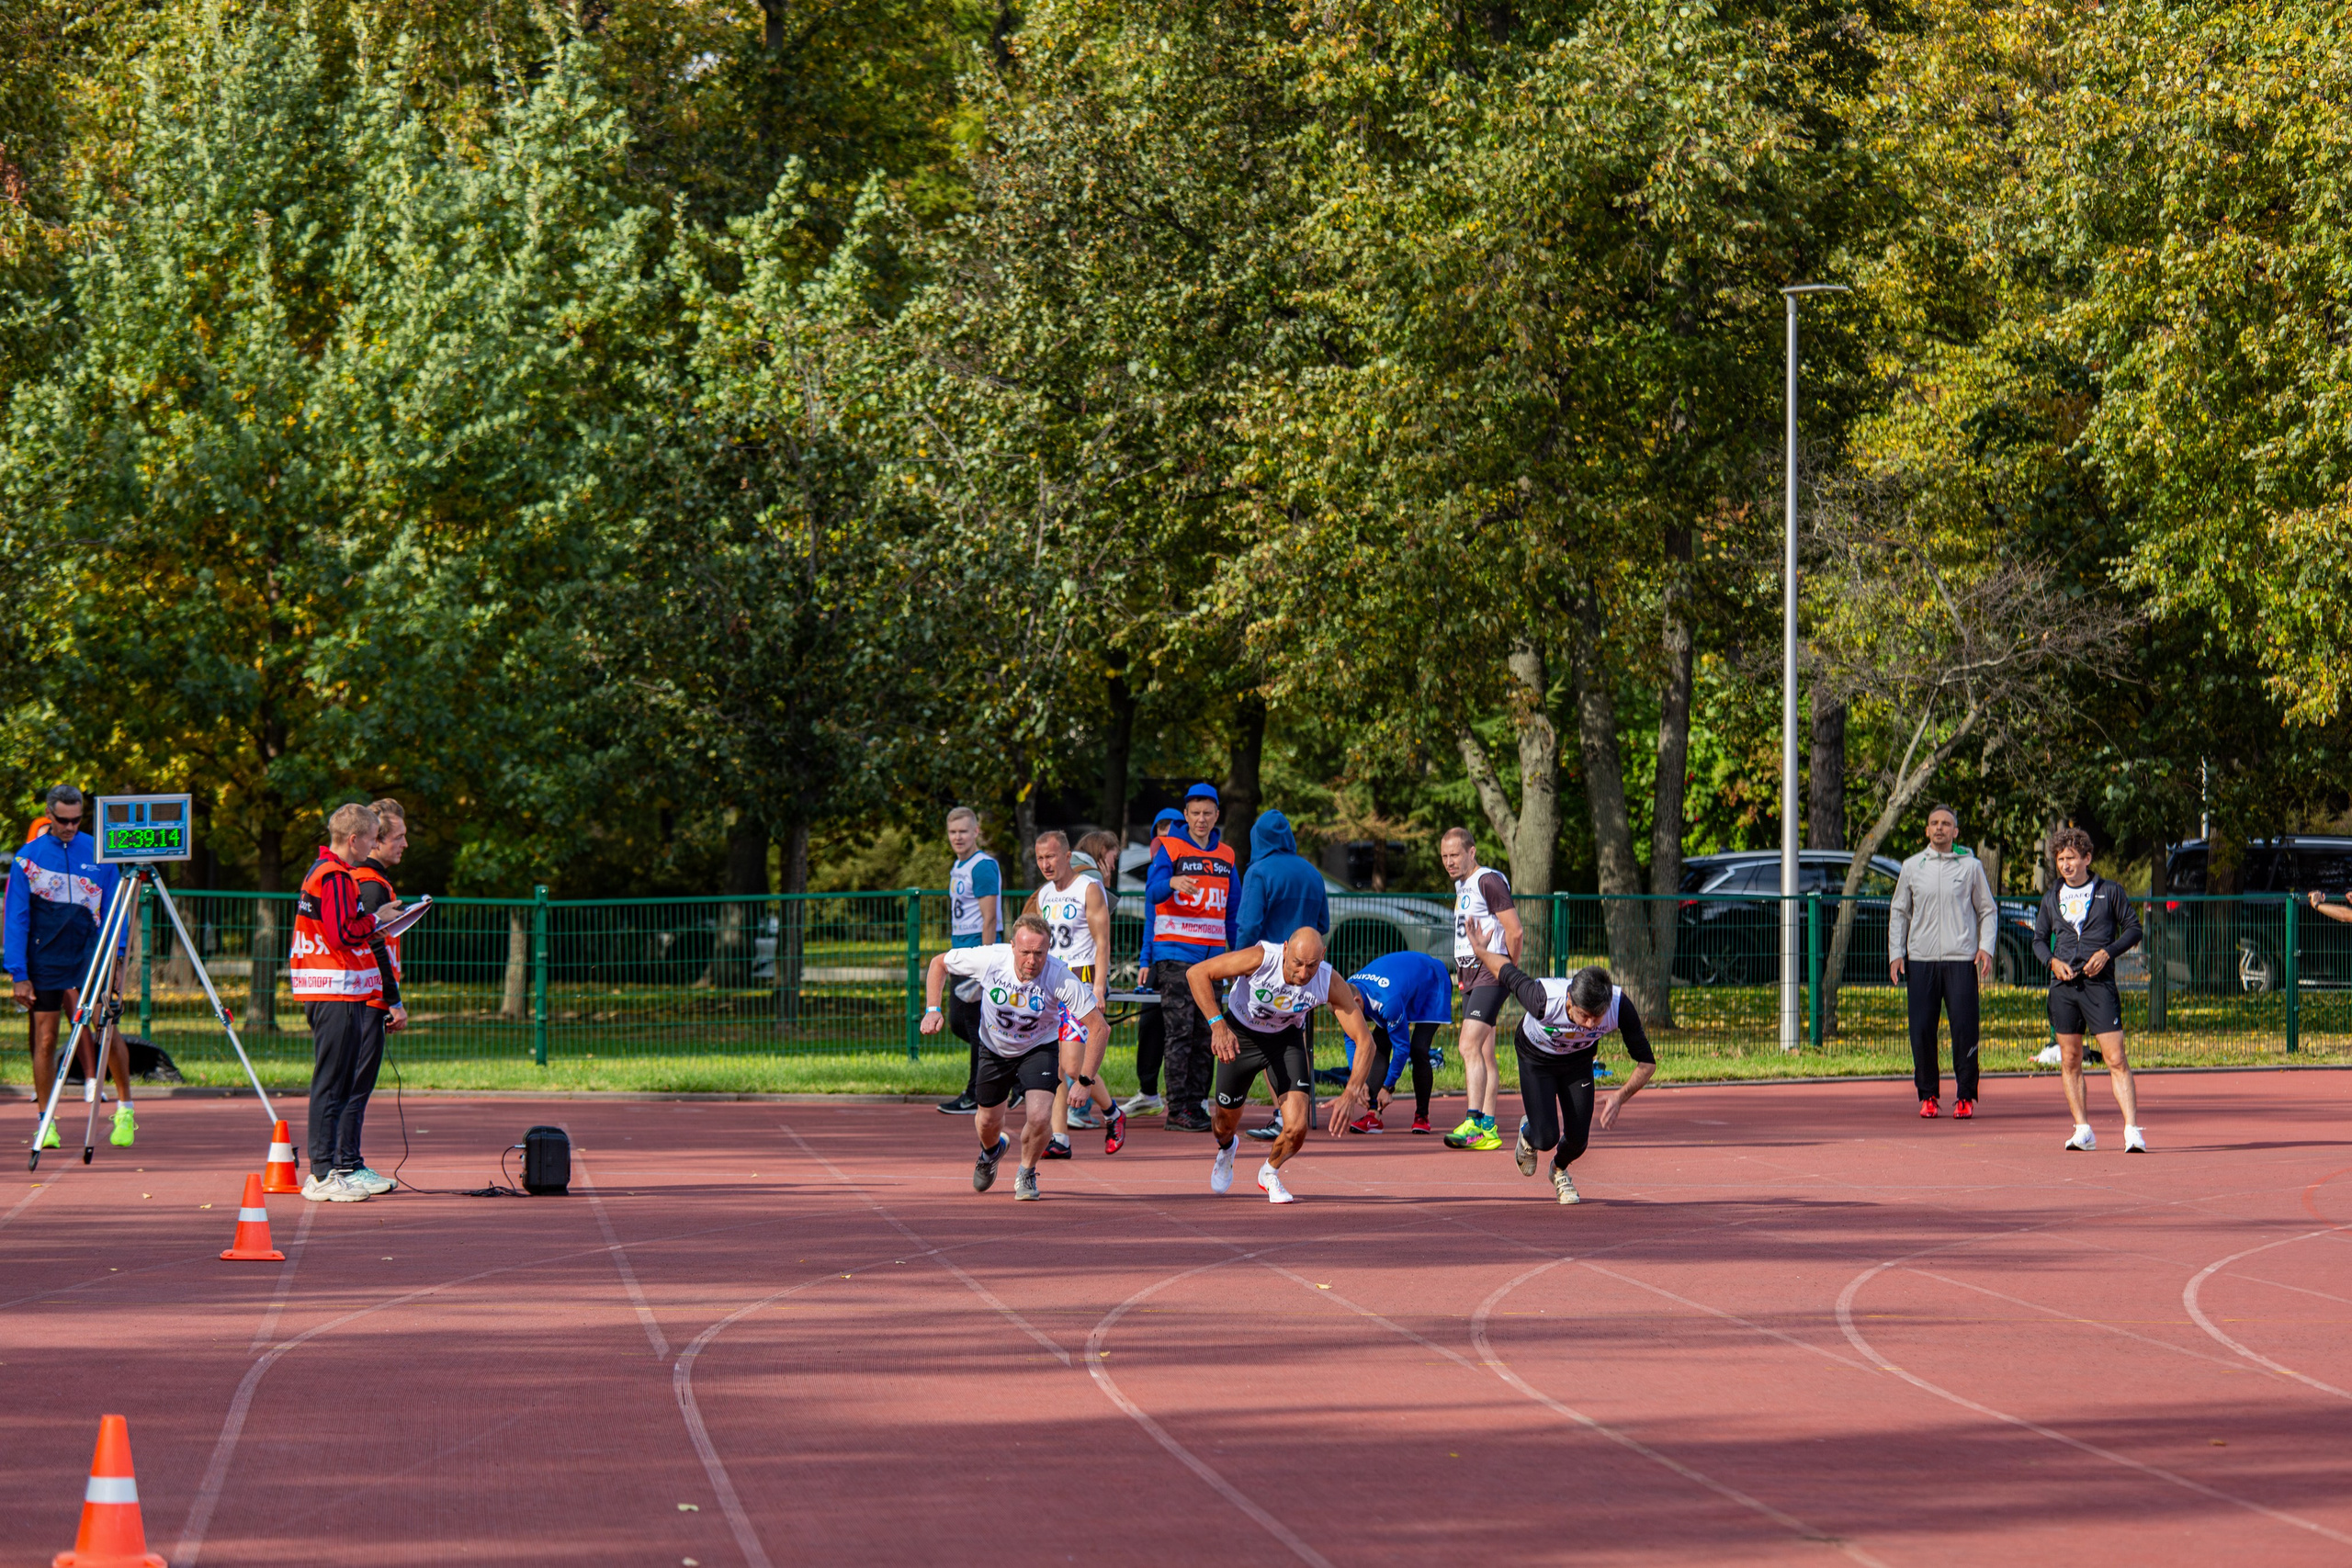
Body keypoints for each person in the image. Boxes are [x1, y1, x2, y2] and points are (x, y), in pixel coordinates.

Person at [1430, 919, 1656, 1204]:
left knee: (1578, 1140)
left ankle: (1559, 1171)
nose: (1588, 1024)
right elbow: (1506, 972)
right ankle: (1529, 1132)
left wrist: (1620, 1097)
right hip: (1536, 1058)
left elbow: (1647, 1063)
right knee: (1545, 1136)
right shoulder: (1542, 999)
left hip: (1577, 1062)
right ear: (1571, 1001)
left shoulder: (1619, 1006)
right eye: (1583, 1015)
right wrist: (1479, 949)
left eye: (1596, 1019)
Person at [921, 913, 1106, 1201]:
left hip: (1038, 1048)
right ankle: (991, 1151)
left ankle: (1027, 1171)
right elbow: (938, 963)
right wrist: (933, 1008)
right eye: (1025, 952)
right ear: (1012, 947)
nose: (1031, 960)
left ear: (1048, 951)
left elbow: (1099, 1028)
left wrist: (1085, 1079)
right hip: (994, 1048)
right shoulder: (990, 959)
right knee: (987, 1122)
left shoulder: (1059, 976)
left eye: (1039, 953)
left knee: (1041, 1115)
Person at [1187, 926, 1379, 1202]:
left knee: (1297, 1127)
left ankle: (1270, 1172)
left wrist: (1351, 1092)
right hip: (1241, 1037)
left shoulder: (1328, 981)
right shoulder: (1261, 959)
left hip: (1285, 1042)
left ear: (1322, 957)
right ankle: (1227, 1148)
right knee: (1224, 1124)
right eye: (1297, 964)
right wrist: (1217, 1024)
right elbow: (1197, 973)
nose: (1303, 974)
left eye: (1311, 966)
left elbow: (1365, 1041)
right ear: (1286, 950)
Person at [7, 786, 134, 1149]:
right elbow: (16, 918)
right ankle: (45, 1122)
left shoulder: (99, 853)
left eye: (76, 820)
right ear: (49, 814)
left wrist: (118, 958)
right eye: (63, 820)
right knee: (45, 1039)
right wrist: (18, 974)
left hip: (89, 956)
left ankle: (125, 1109)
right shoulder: (27, 859)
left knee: (104, 1028)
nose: (70, 826)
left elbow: (115, 911)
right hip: (44, 958)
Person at [290, 803, 401, 1201]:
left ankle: (333, 1169)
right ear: (354, 840)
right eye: (372, 838)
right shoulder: (335, 876)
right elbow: (342, 933)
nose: (375, 845)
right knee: (332, 1083)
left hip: (335, 988)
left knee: (336, 1083)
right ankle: (322, 1174)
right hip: (333, 990)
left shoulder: (324, 872)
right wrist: (379, 919)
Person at [2034, 827, 2146, 1153]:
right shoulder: (2051, 897)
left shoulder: (2110, 891)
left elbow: (2134, 929)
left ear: (2087, 858)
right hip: (2063, 988)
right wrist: (2052, 962)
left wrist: (2107, 952)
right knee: (2070, 1059)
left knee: (2116, 1059)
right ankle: (2083, 1130)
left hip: (2099, 986)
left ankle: (2131, 1131)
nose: (2065, 865)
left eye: (2071, 858)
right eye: (2060, 860)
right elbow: (2039, 940)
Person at [1888, 804, 1997, 1119]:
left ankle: (1965, 1095)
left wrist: (1985, 948)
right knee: (1922, 1029)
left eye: (1946, 824)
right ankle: (1928, 1095)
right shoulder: (1912, 867)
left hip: (1961, 959)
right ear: (1927, 830)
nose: (1939, 828)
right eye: (1934, 823)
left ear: (1955, 831)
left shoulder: (1970, 867)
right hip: (1921, 960)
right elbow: (1899, 912)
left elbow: (1987, 910)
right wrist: (1897, 953)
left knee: (1964, 1028)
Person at [1145, 784, 1238, 1133]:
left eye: (1207, 813)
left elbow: (1233, 912)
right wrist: (1172, 881)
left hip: (1213, 960)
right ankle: (1178, 1108)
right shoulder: (1171, 847)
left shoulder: (1227, 855)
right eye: (1195, 813)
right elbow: (1151, 893)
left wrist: (1234, 954)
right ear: (1186, 815)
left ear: (1217, 816)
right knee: (1180, 1034)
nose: (1201, 819)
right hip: (1176, 956)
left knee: (1208, 1032)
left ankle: (1198, 1104)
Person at [1024, 829, 1124, 1156]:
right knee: (1052, 1064)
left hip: (1080, 981)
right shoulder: (1044, 895)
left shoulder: (1089, 889)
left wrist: (1098, 986)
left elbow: (1102, 942)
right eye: (1040, 858)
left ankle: (1112, 1113)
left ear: (1067, 856)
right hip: (1051, 983)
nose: (1045, 864)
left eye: (1050, 857)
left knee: (1071, 1066)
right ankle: (1060, 1138)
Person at [1234, 809, 1329, 1142]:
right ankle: (1293, 1111)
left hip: (1270, 968)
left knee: (1263, 1034)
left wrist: (1240, 964)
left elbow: (1248, 924)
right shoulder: (1313, 873)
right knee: (1293, 1037)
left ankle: (1281, 1112)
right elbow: (1323, 926)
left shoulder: (1258, 871)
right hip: (1307, 971)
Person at [336, 799, 413, 1196]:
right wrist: (393, 999)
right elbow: (372, 943)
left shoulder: (372, 880)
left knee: (354, 1084)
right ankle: (346, 1164)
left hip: (367, 995)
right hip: (368, 997)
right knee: (356, 1085)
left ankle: (345, 1162)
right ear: (376, 841)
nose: (404, 843)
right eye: (398, 837)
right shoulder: (369, 882)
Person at [1439, 827, 1521, 1150]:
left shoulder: (1488, 880)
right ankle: (1488, 1127)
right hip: (1470, 975)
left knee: (1467, 1045)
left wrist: (1507, 971)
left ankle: (1473, 1122)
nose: (1449, 862)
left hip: (1491, 971)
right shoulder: (1463, 886)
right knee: (1485, 1053)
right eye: (1445, 857)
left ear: (1471, 852)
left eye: (1455, 855)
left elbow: (1515, 931)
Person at [1339, 948, 1453, 1134]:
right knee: (1379, 1044)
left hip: (1432, 981)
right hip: (1401, 987)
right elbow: (1352, 1038)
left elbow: (1401, 1048)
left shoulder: (1387, 1002)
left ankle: (1422, 1116)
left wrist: (1388, 1086)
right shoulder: (1346, 994)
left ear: (1357, 1001)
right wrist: (1356, 1081)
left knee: (1418, 1048)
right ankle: (1373, 1114)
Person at [935, 807, 1001, 1116]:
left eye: (963, 831)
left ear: (976, 831)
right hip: (959, 952)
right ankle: (1008, 1074)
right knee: (959, 1023)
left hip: (977, 952)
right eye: (952, 832)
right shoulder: (958, 865)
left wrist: (985, 965)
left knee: (976, 1027)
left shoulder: (982, 866)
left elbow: (990, 918)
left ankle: (976, 1093)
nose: (958, 837)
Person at [1119, 809, 1184, 1118]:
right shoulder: (1157, 869)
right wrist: (1145, 959)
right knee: (1149, 1025)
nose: (1166, 832)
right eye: (1160, 827)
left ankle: (1189, 1099)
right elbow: (1151, 919)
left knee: (1184, 1030)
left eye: (1173, 827)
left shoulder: (1188, 862)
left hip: (1186, 958)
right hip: (1157, 959)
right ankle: (1148, 1092)